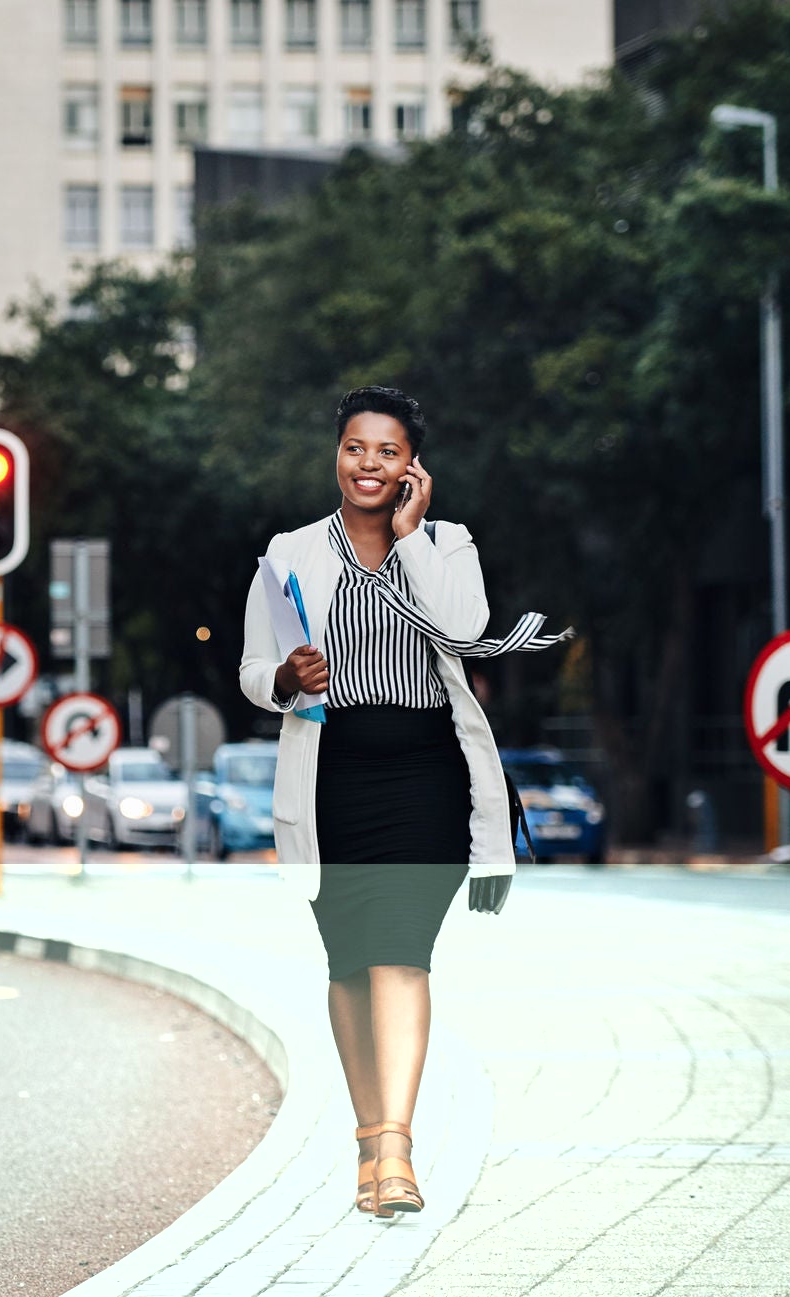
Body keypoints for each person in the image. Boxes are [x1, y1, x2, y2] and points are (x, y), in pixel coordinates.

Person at [238, 386, 572, 1218]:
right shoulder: (288, 553)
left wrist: (414, 539)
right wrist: (285, 679)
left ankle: (397, 1149)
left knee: (401, 952)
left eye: (387, 451)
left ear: (411, 466)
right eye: (356, 447)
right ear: (337, 455)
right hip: (331, 778)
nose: (369, 464)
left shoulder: (449, 544)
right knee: (347, 962)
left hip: (427, 774)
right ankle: (367, 1143)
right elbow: (252, 670)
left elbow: (465, 626)